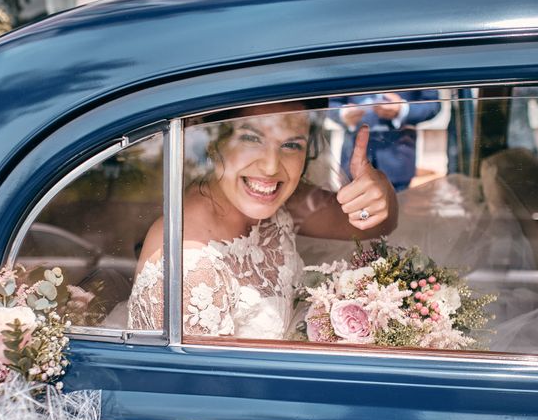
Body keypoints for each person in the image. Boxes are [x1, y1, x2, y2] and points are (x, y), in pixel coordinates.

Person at [128, 102, 398, 339]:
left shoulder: (278, 199)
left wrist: (379, 192)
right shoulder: (190, 267)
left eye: (291, 145)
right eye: (251, 138)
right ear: (213, 140)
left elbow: (373, 224)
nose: (270, 167)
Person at [329, 91, 441, 191]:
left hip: (398, 159)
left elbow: (433, 104)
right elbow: (330, 101)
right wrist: (342, 114)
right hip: (352, 158)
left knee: (398, 212)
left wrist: (402, 110)